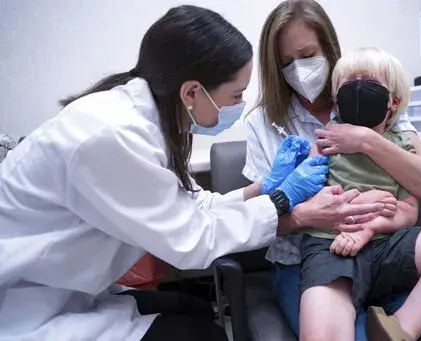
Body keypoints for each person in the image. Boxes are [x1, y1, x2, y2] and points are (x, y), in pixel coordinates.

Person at [0, 5, 384, 341]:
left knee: (197, 311)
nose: (240, 104)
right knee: (205, 332)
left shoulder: (145, 122)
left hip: (63, 287)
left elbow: (192, 204)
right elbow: (192, 241)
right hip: (28, 306)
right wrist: (291, 211)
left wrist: (264, 189)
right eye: (235, 95)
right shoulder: (110, 136)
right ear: (191, 93)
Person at [244, 1, 421, 340]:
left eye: (307, 56)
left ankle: (400, 329)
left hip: (388, 249)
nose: (298, 70)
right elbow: (260, 217)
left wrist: (365, 140)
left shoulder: (381, 105)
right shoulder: (265, 122)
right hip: (318, 253)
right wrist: (316, 212)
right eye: (286, 62)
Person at [300, 47, 421, 341]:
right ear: (337, 100)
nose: (357, 86)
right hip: (333, 247)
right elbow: (307, 197)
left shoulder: (401, 147)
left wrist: (372, 227)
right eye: (347, 81)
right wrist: (362, 204)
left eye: (368, 80)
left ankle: (401, 328)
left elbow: (409, 211)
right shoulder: (327, 138)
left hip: (389, 247)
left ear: (393, 102)